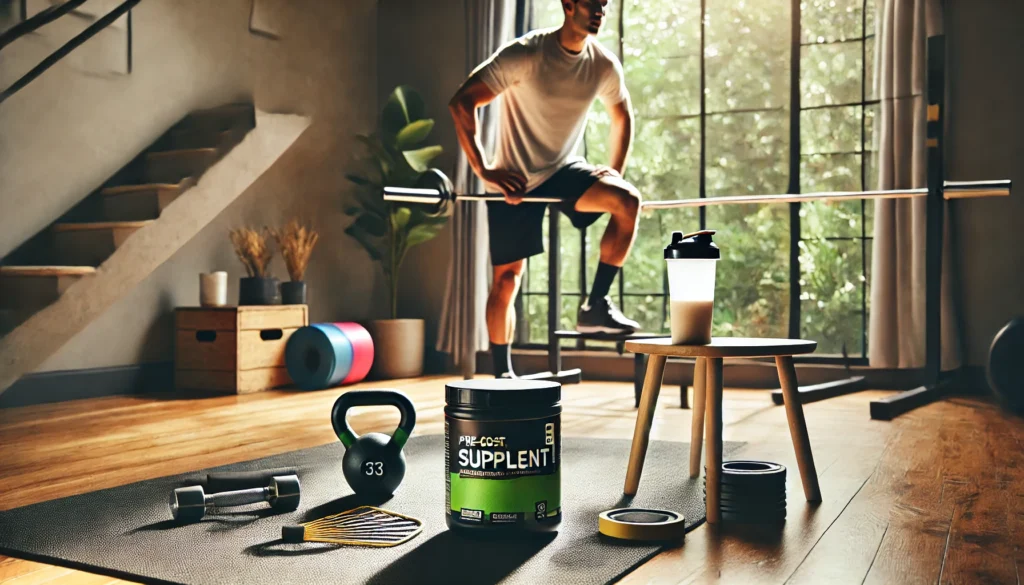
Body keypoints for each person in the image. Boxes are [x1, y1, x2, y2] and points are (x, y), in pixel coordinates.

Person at [449, 0, 642, 378]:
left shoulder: (603, 64)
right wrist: (483, 169)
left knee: (627, 201)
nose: (600, 11)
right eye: (591, 3)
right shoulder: (526, 54)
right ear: (568, 4)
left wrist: (615, 172)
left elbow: (622, 115)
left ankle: (595, 305)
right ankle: (502, 375)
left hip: (563, 170)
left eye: (604, 4)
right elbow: (462, 103)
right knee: (507, 279)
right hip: (515, 175)